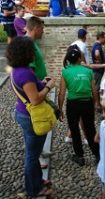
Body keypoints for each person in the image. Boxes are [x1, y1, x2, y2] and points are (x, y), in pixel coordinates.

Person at [7, 36, 55, 197]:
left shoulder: (16, 70)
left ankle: (38, 181)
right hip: (31, 117)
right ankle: (33, 189)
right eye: (32, 50)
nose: (34, 52)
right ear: (26, 52)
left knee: (32, 152)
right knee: (32, 156)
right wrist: (48, 86)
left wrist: (40, 82)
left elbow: (28, 91)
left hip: (22, 113)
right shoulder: (26, 73)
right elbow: (34, 99)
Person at [58, 44, 100, 166]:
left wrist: (59, 109)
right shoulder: (88, 71)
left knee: (74, 130)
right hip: (87, 103)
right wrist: (95, 103)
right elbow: (94, 91)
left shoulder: (65, 72)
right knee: (90, 129)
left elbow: (61, 93)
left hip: (72, 105)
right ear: (79, 59)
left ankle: (80, 156)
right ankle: (97, 155)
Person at [26, 16, 47, 80]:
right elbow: (29, 71)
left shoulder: (32, 42)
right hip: (36, 86)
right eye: (42, 29)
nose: (43, 32)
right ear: (36, 28)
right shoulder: (27, 45)